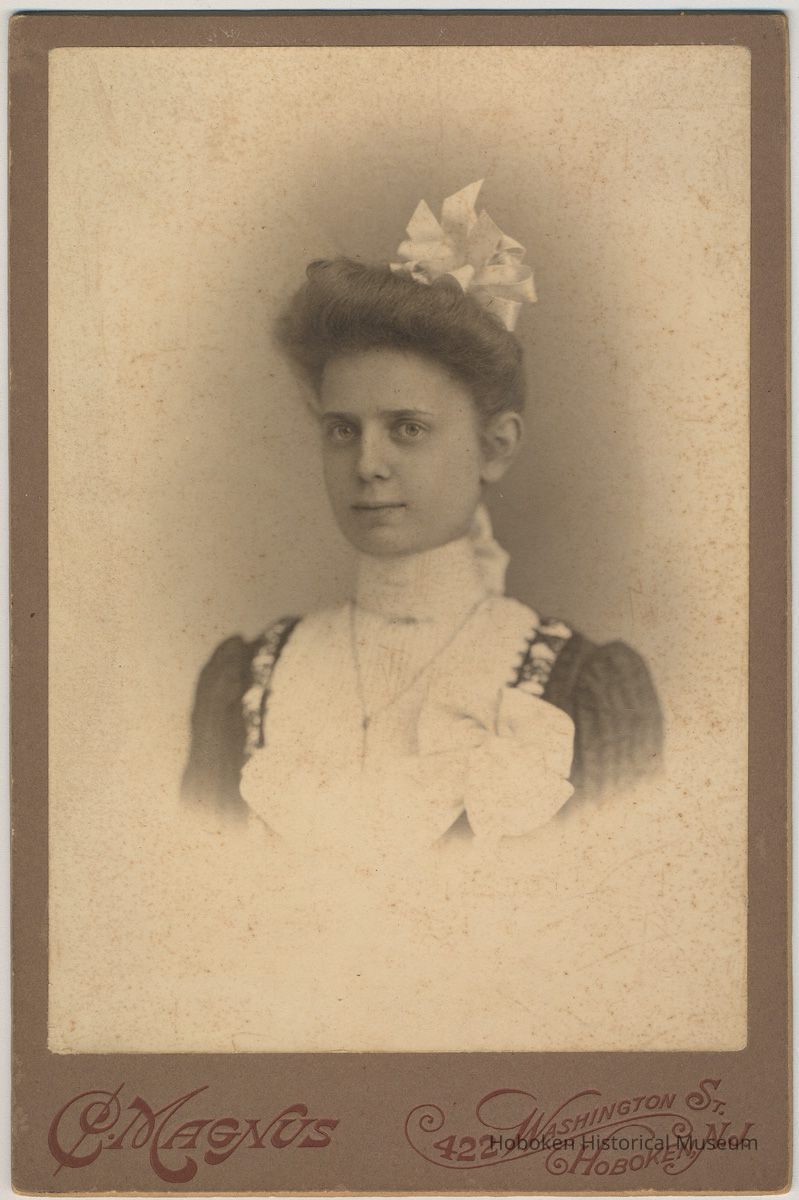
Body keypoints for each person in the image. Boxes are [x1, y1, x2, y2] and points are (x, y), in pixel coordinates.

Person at [181, 181, 662, 863]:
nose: (367, 464)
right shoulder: (244, 683)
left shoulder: (581, 690)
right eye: (342, 430)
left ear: (494, 447)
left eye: (407, 429)